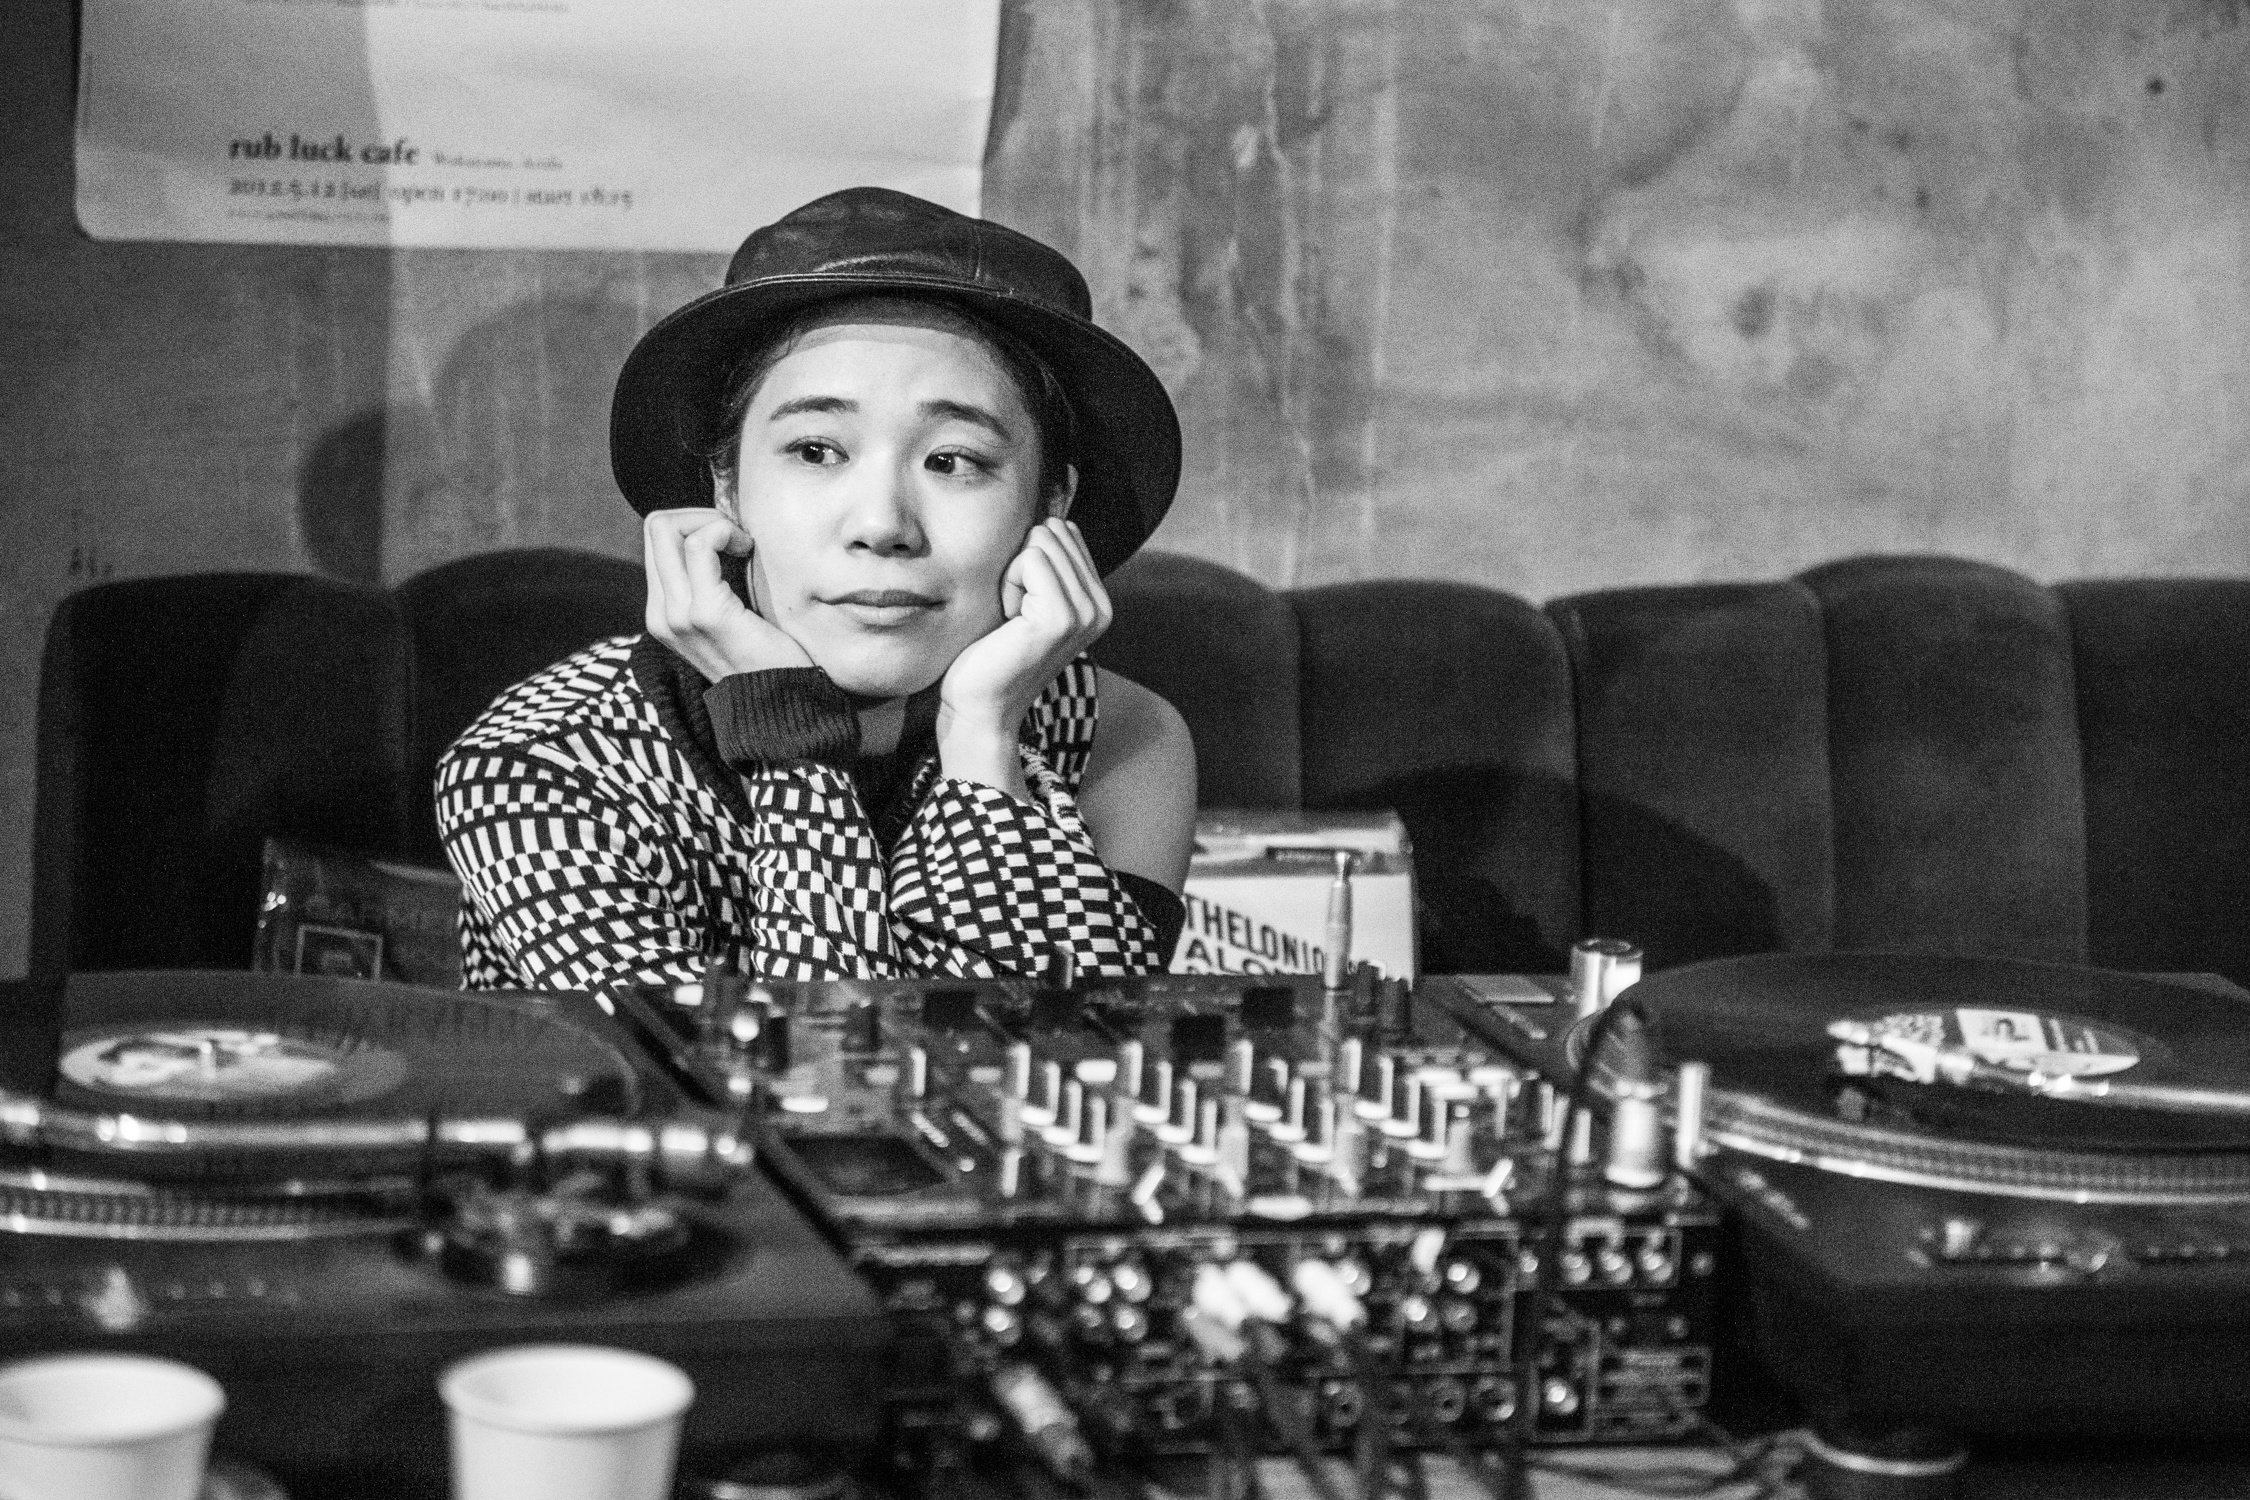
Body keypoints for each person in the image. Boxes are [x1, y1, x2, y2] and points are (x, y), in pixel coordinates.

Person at [434, 187, 1197, 990]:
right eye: (816, 451)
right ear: (726, 487)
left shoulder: (1120, 737)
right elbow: (814, 1065)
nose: (882, 524)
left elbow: (1081, 1053)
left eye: (953, 461)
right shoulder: (543, 763)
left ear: (1051, 504)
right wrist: (792, 743)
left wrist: (982, 743)